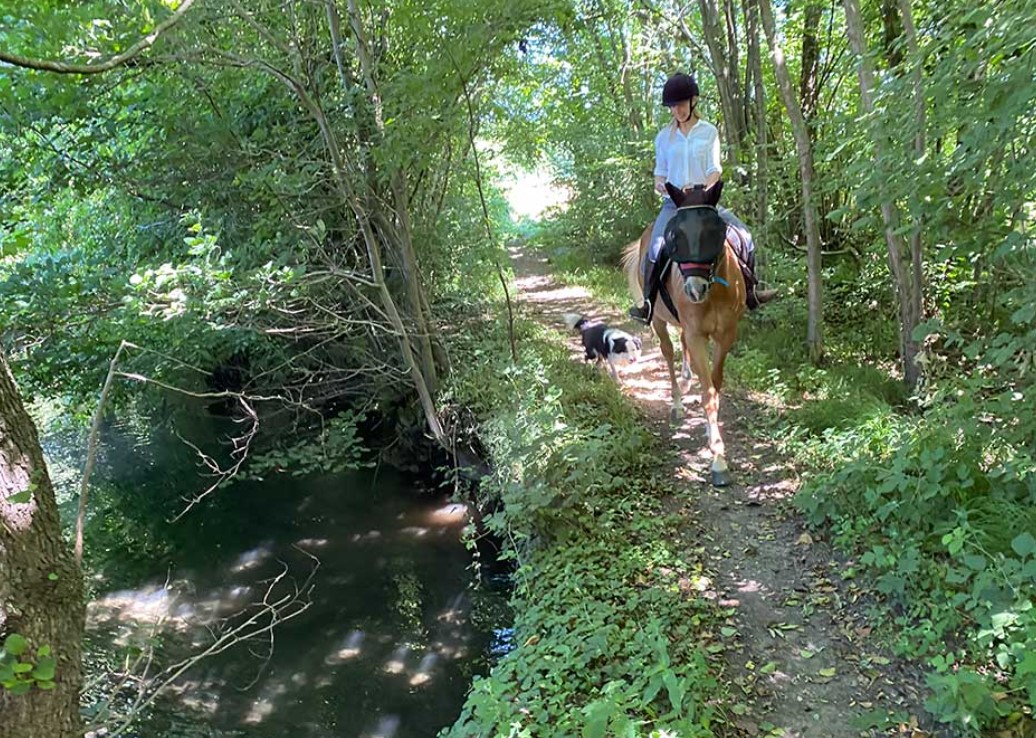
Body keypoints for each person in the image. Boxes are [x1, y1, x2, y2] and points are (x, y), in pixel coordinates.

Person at [628, 72, 760, 323]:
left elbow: (715, 170)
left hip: (704, 202)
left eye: (680, 104)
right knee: (655, 248)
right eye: (672, 106)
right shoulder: (663, 138)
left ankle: (752, 292)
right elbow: (660, 175)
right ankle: (648, 303)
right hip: (674, 204)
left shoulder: (708, 132)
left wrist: (704, 190)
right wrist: (663, 187)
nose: (676, 110)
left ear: (693, 101)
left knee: (744, 235)